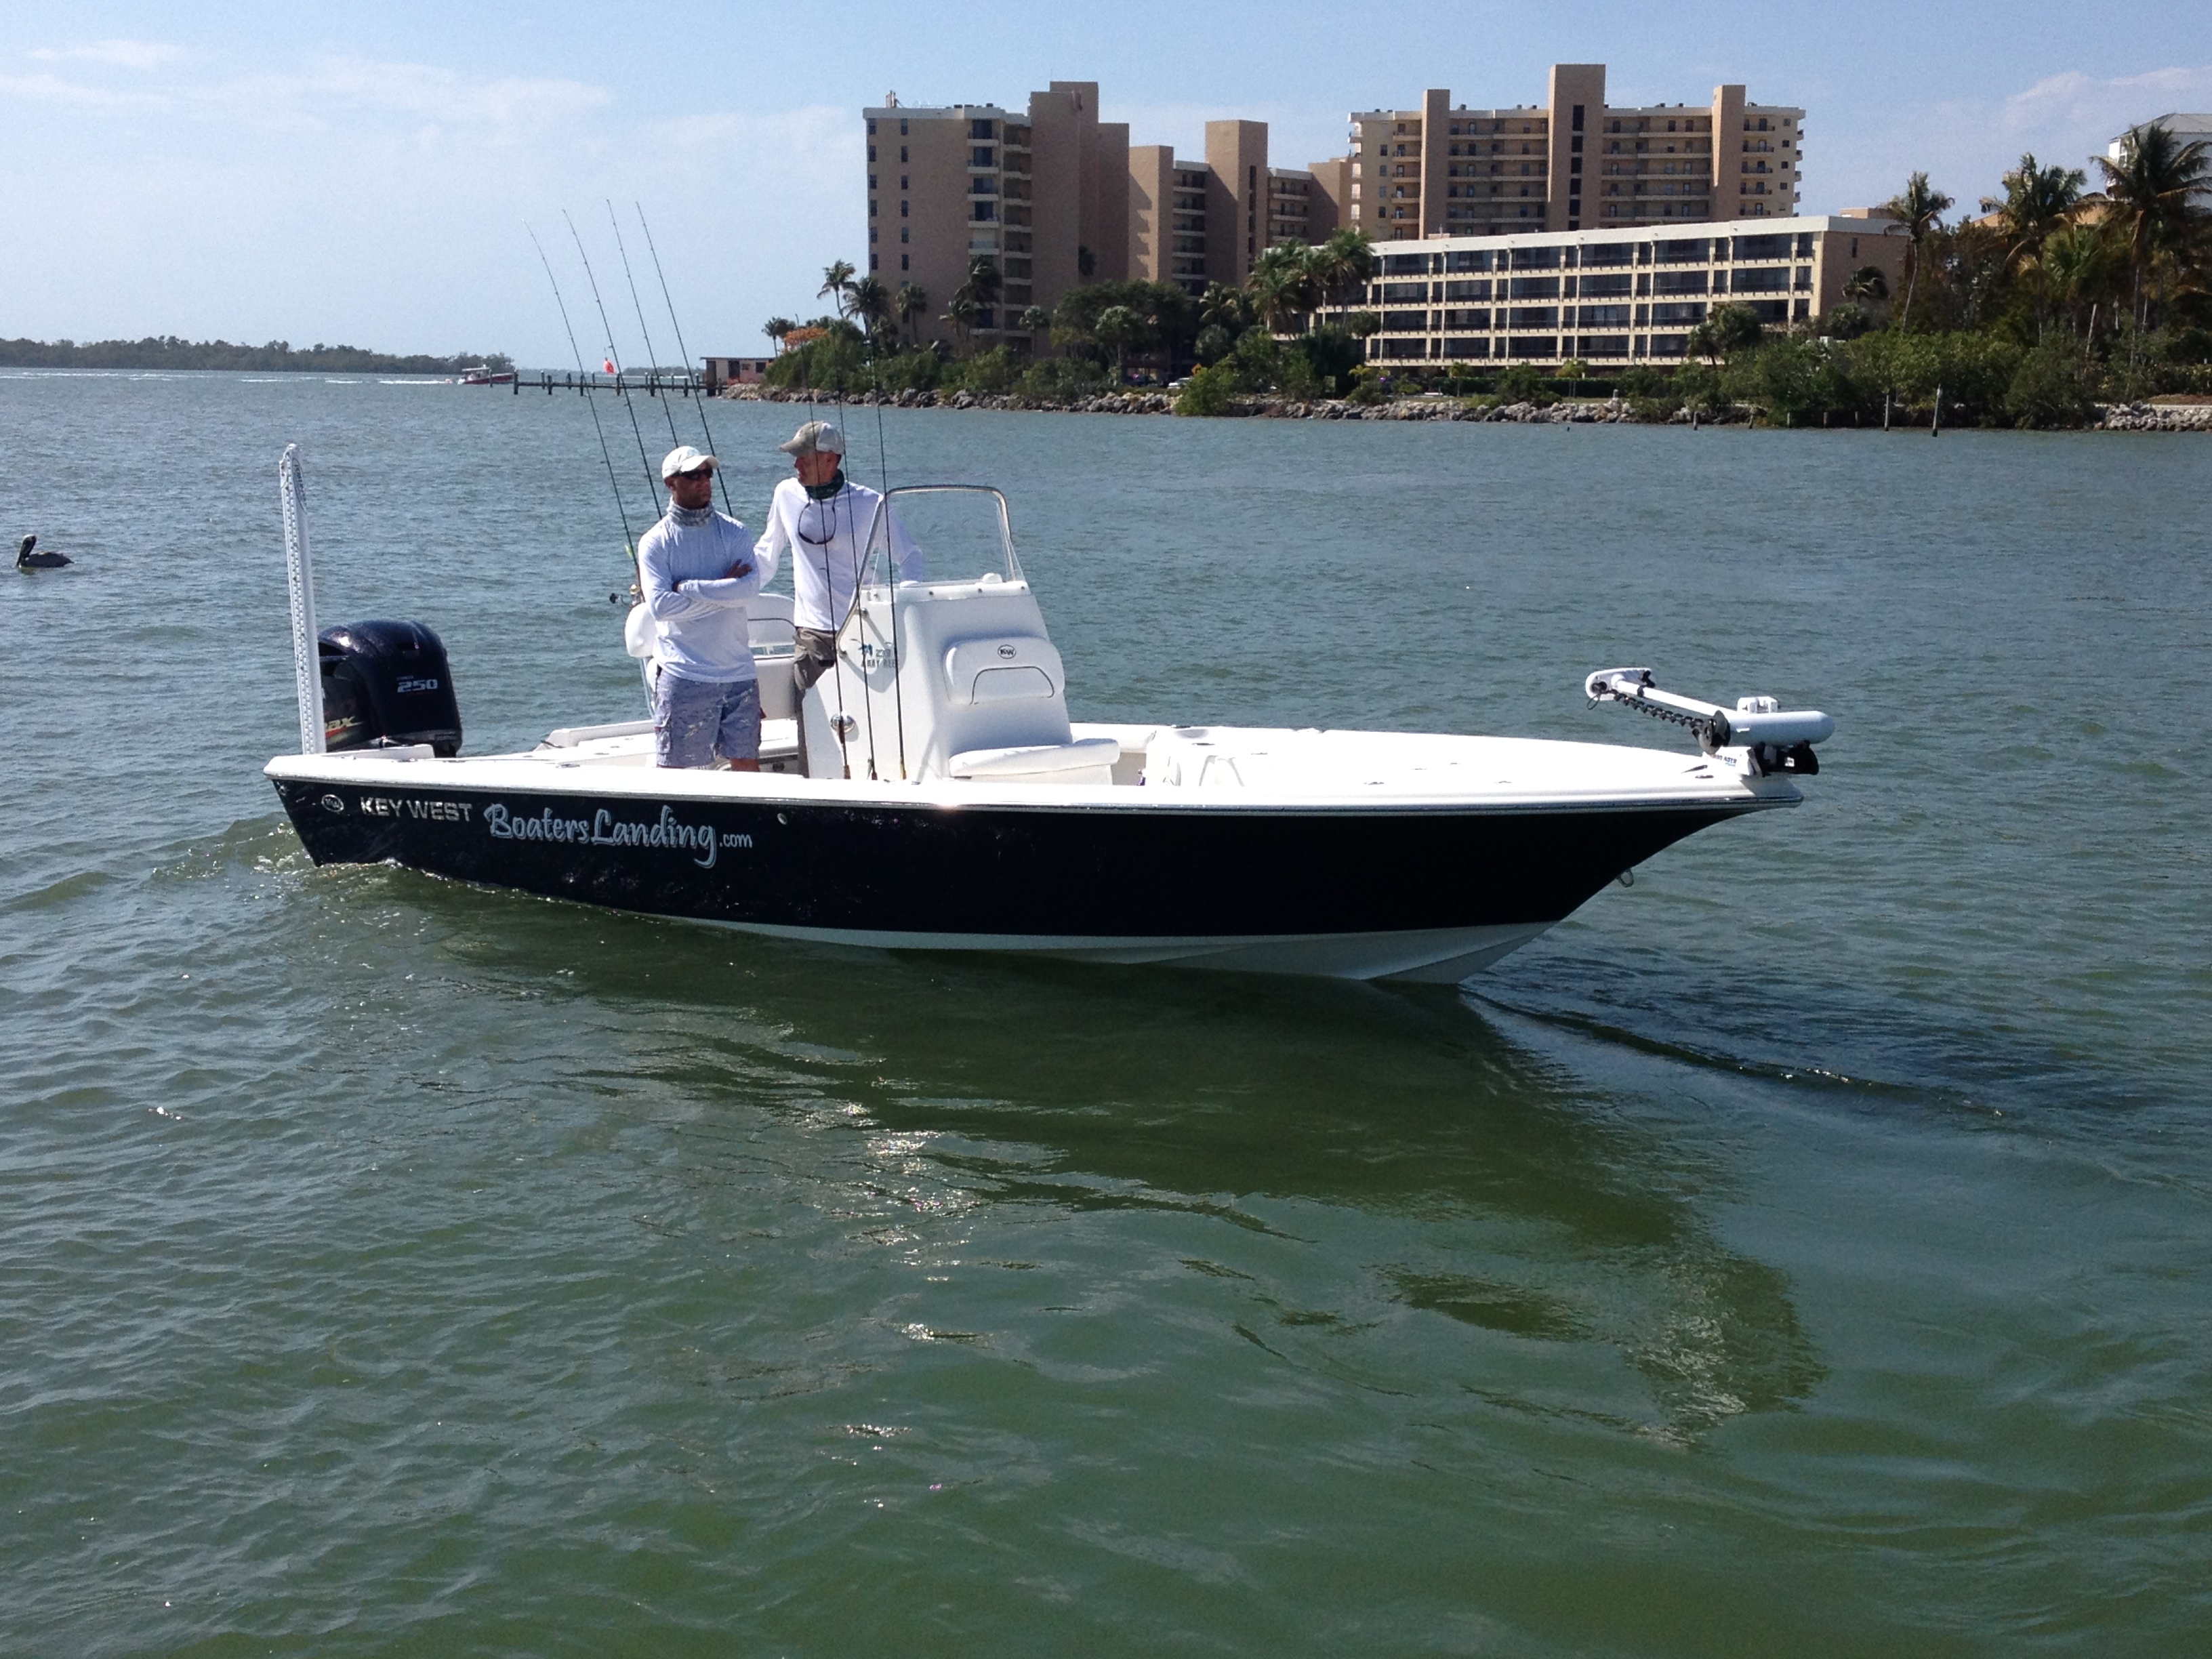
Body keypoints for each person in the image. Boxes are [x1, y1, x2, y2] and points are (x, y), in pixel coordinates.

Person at [752, 422, 922, 716]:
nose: (796, 464)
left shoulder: (870, 503)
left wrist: (905, 602)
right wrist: (732, 588)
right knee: (812, 721)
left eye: (804, 457)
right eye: (795, 456)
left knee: (871, 719)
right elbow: (766, 555)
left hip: (865, 628)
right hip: (811, 634)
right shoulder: (785, 494)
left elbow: (910, 556)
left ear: (830, 459)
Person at [636, 445, 765, 770]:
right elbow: (662, 607)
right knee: (677, 776)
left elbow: (749, 591)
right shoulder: (655, 542)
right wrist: (725, 590)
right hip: (684, 673)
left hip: (740, 675)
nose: (703, 481)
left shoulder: (736, 532)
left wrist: (691, 587)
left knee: (748, 770)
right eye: (693, 475)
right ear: (671, 483)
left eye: (707, 473)